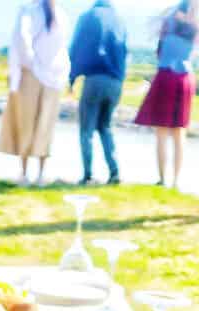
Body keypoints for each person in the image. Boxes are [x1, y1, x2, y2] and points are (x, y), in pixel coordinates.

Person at [0, 0, 70, 185]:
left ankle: (24, 173)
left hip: (31, 75)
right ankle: (40, 174)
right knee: (44, 125)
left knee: (26, 124)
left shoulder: (29, 11)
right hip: (52, 77)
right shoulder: (60, 14)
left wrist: (30, 64)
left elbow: (21, 40)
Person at [135, 0, 199, 188]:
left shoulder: (168, 21)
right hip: (185, 78)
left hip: (165, 76)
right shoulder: (197, 25)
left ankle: (162, 179)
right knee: (180, 133)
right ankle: (176, 181)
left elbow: (159, 50)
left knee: (162, 132)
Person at [68, 0, 127, 186]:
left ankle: (87, 175)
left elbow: (76, 46)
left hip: (94, 79)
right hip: (116, 81)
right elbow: (124, 52)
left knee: (86, 130)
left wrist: (72, 77)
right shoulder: (120, 19)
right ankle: (114, 172)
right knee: (106, 127)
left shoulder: (88, 16)